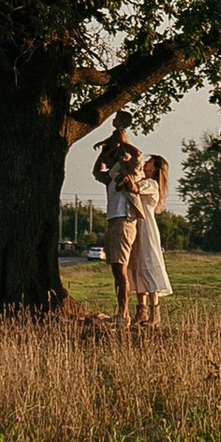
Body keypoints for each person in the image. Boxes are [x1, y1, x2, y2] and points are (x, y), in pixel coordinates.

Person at [91, 126, 140, 318]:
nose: (106, 160)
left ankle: (124, 314)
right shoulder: (111, 177)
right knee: (116, 270)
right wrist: (103, 151)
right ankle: (122, 312)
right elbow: (96, 172)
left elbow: (137, 154)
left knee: (121, 270)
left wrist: (122, 142)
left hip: (123, 220)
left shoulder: (130, 171)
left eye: (110, 156)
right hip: (113, 221)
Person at [125, 150, 173, 323]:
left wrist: (125, 173)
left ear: (155, 167)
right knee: (137, 264)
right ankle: (141, 311)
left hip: (146, 227)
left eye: (150, 162)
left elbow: (135, 188)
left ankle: (155, 313)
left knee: (148, 262)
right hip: (137, 225)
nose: (146, 163)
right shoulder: (145, 181)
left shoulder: (151, 184)